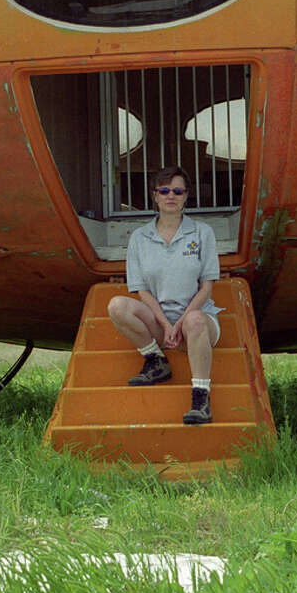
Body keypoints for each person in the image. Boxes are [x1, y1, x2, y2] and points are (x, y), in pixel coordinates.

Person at [106, 166, 221, 425]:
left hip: (198, 323)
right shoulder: (139, 237)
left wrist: (180, 323)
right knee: (117, 306)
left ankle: (201, 399)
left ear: (186, 196)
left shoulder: (203, 233)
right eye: (165, 190)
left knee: (194, 320)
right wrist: (166, 325)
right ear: (155, 196)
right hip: (159, 323)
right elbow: (141, 291)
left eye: (178, 191)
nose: (171, 195)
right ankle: (156, 361)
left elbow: (207, 287)